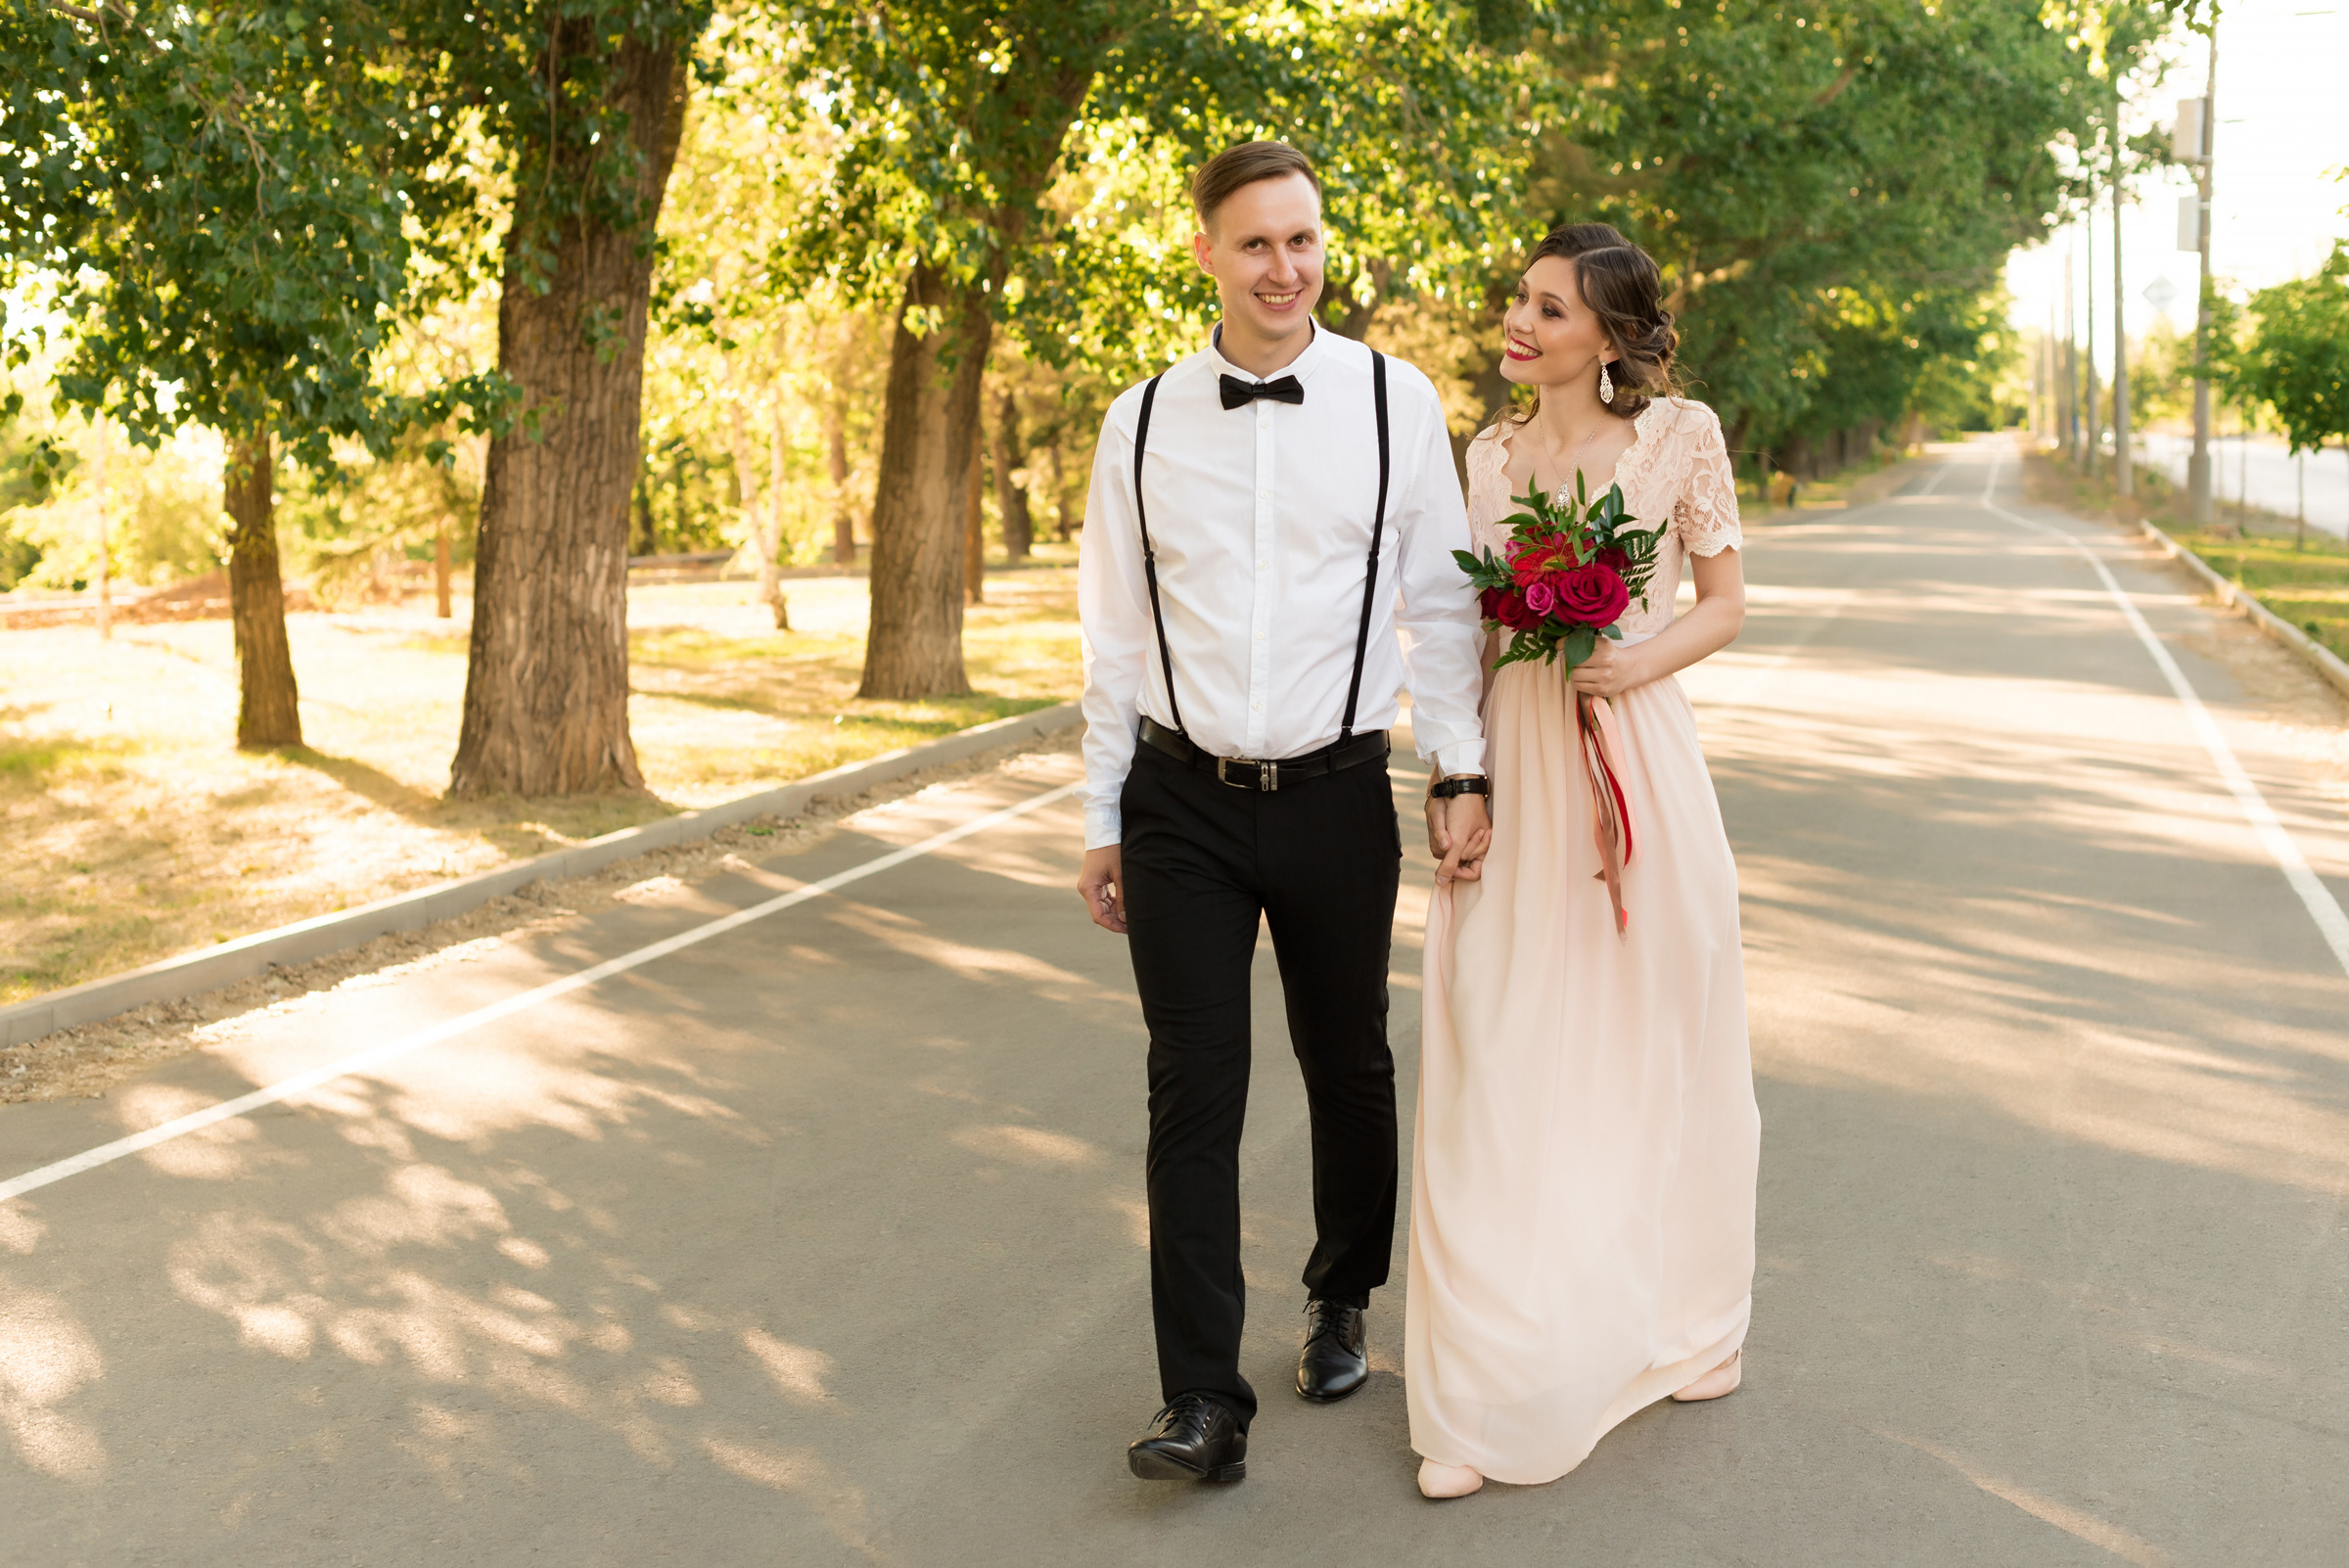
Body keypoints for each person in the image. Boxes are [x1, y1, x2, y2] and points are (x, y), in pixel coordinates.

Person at [1074, 141, 1493, 1485]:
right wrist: (1100, 816)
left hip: (1334, 792)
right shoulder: (1138, 421)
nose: (1283, 266)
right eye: (1255, 242)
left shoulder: (1392, 401)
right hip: (1179, 801)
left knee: (1346, 1058)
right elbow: (1114, 640)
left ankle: (1342, 1293)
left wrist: (1460, 771)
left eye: (1303, 240)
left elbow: (1442, 609)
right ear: (1202, 249)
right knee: (1193, 1089)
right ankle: (1199, 1398)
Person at [1405, 223, 1759, 1499]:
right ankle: (1489, 1384)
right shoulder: (1488, 455)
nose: (1521, 323)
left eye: (1550, 309)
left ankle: (1680, 1322)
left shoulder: (1680, 438)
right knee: (1498, 1053)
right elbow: (1459, 626)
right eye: (1519, 299)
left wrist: (1629, 659)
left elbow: (1720, 600)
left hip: (1633, 758)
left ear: (1607, 336)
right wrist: (1456, 778)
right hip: (1517, 757)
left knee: (1647, 1044)